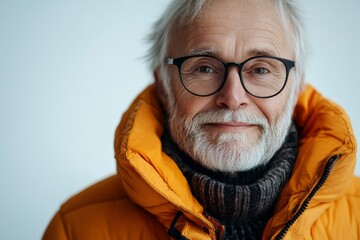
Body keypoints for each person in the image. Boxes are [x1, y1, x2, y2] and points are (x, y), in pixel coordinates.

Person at [43, 0, 360, 239]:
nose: (233, 97)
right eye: (204, 68)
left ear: (297, 86)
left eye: (261, 69)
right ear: (163, 85)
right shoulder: (76, 227)